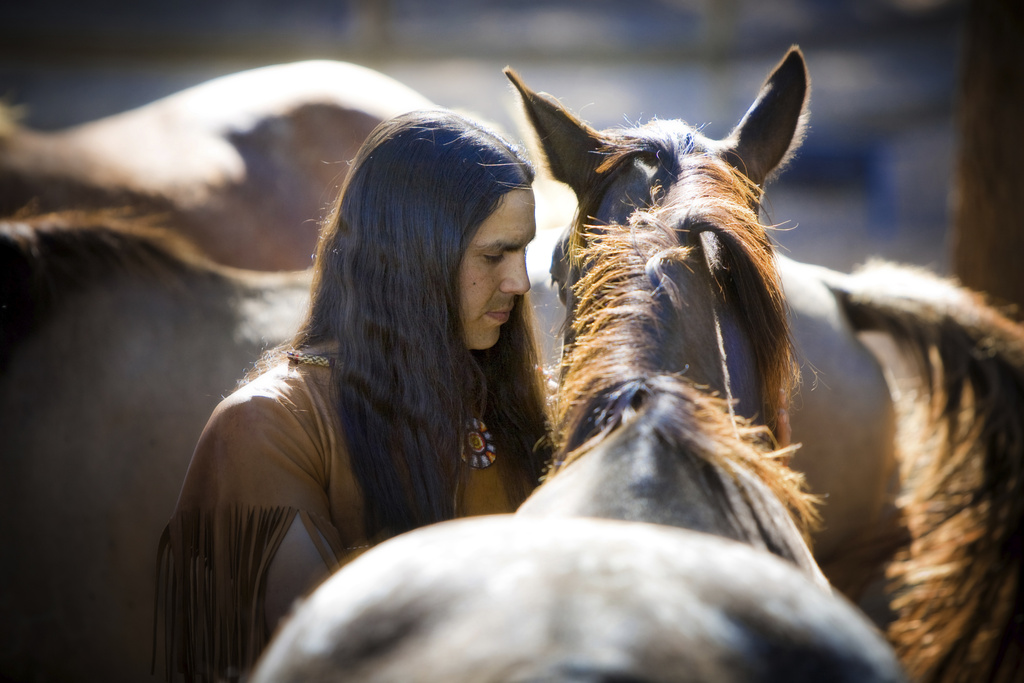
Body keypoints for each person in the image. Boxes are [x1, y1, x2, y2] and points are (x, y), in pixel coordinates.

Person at [154, 108, 553, 681]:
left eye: (523, 252)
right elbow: (328, 656)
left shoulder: (531, 405)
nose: (518, 281)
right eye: (494, 255)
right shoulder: (269, 428)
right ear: (410, 254)